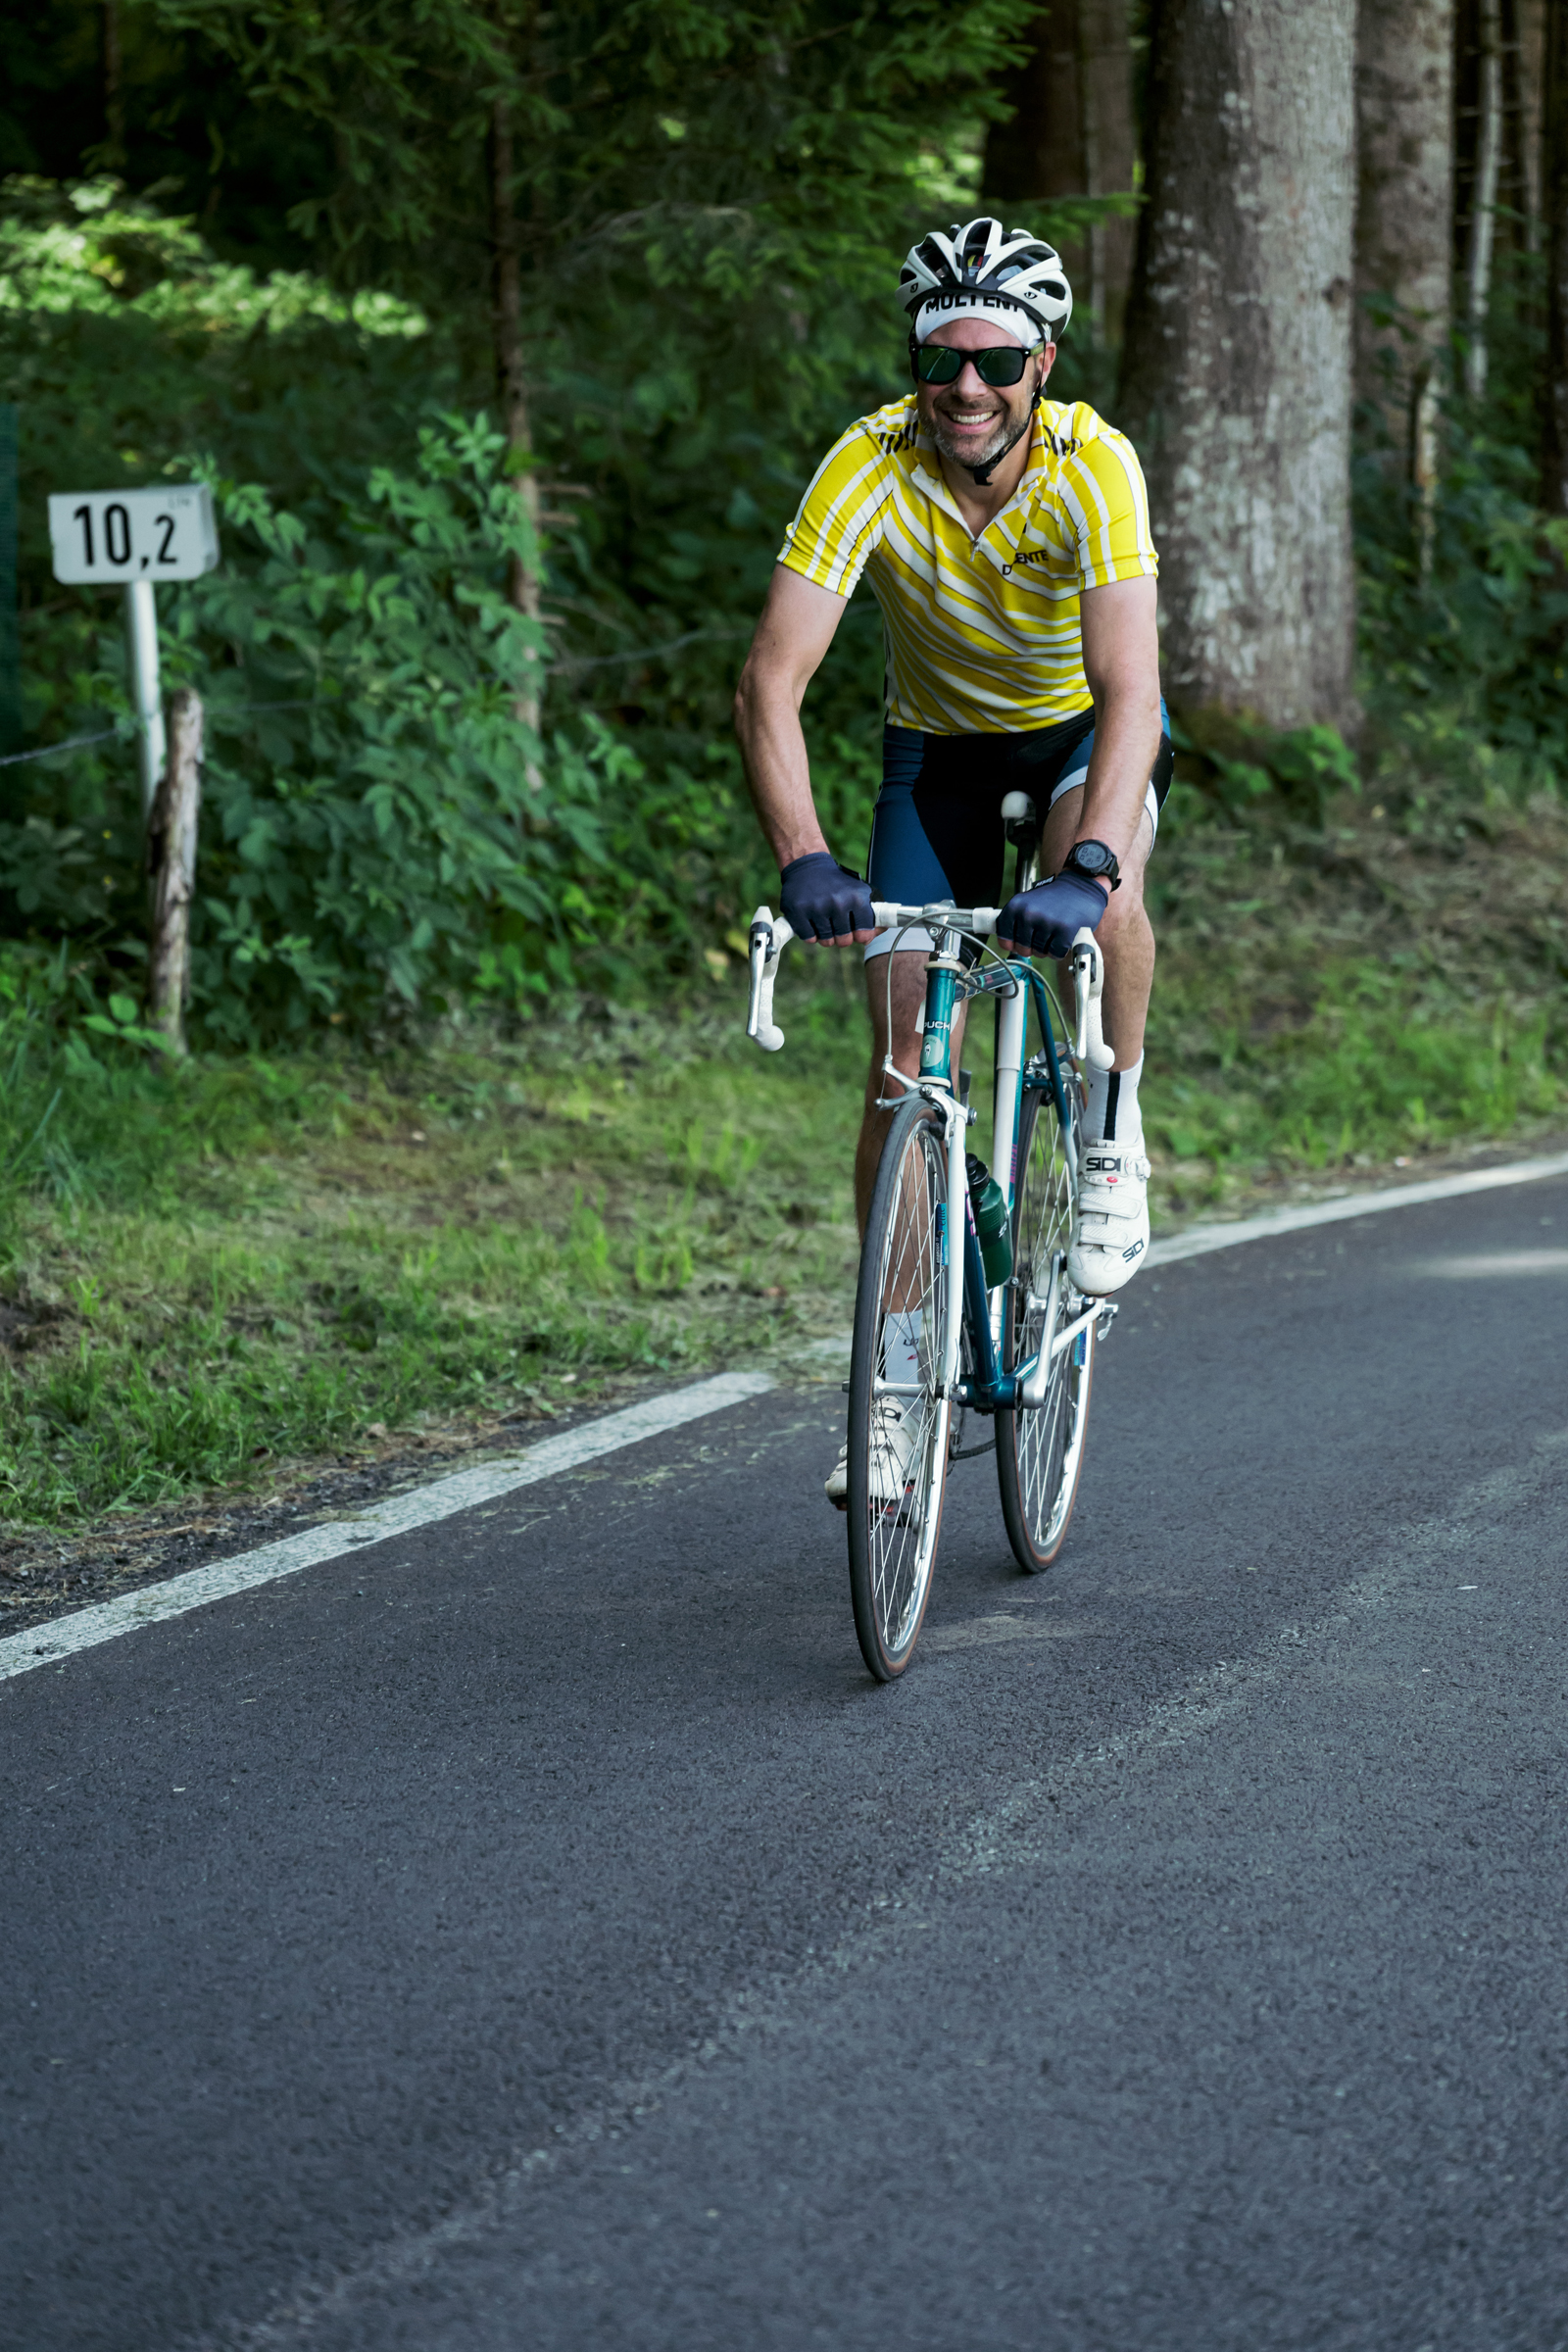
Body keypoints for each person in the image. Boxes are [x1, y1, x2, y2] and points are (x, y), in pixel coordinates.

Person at [733, 216, 1170, 1506]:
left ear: (1043, 364)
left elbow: (1133, 691)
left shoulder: (1095, 465)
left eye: (995, 361)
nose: (966, 387)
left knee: (1107, 895)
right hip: (938, 756)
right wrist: (806, 858)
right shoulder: (868, 462)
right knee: (901, 1065)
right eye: (941, 360)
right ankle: (897, 1384)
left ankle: (1111, 1129)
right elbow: (770, 683)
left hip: (1082, 733)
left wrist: (1089, 863)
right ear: (915, 364)